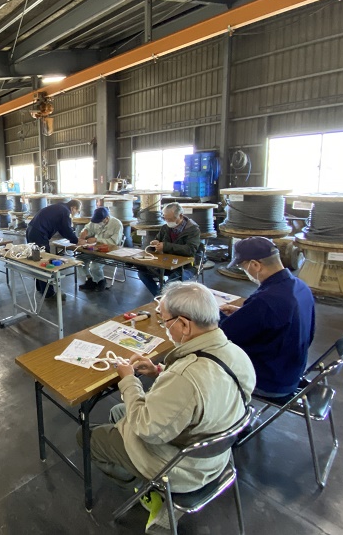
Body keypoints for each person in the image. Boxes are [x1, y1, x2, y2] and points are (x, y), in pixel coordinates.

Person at [79, 281, 255, 533]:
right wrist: (158, 370)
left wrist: (128, 380)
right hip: (216, 455)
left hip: (183, 468)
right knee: (118, 413)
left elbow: (146, 428)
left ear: (184, 324)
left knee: (87, 436)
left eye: (164, 321)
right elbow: (205, 392)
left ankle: (147, 488)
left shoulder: (185, 377)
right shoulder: (237, 354)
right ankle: (143, 477)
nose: (164, 327)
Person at [220, 236, 315, 397]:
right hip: (291, 371)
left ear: (255, 265)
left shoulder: (266, 300)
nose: (245, 271)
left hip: (269, 381)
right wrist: (244, 313)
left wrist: (211, 312)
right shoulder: (300, 287)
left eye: (243, 267)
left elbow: (224, 335)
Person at [137, 202, 201, 297]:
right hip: (167, 263)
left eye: (170, 219)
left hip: (186, 266)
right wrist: (155, 243)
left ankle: (161, 298)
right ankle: (159, 296)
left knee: (170, 282)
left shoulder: (193, 230)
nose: (167, 221)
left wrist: (166, 246)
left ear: (180, 216)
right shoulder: (165, 227)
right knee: (143, 273)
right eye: (165, 218)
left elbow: (190, 250)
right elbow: (158, 239)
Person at [25, 199, 81, 297]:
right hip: (39, 234)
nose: (76, 213)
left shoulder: (59, 207)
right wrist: (76, 240)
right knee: (44, 263)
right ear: (73, 208)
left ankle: (41, 288)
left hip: (31, 230)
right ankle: (49, 293)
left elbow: (62, 228)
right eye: (77, 211)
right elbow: (66, 229)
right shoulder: (65, 212)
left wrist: (72, 237)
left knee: (37, 260)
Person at [78, 206, 123, 292]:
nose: (98, 224)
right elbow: (88, 228)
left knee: (94, 266)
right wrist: (84, 232)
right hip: (94, 249)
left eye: (99, 222)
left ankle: (101, 281)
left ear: (107, 218)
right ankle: (90, 280)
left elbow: (114, 242)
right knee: (79, 261)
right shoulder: (95, 221)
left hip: (109, 252)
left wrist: (96, 239)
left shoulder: (117, 224)